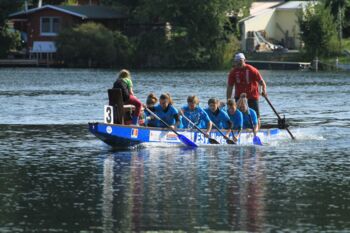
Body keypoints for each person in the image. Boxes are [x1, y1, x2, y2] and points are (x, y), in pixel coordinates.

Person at [226, 52, 267, 127]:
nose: (238, 63)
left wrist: (264, 90)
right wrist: (228, 99)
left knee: (256, 115)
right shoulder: (233, 72)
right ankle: (239, 128)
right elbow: (230, 87)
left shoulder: (252, 70)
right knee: (238, 113)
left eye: (240, 61)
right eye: (237, 61)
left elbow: (261, 82)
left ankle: (257, 130)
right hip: (239, 96)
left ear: (244, 60)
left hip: (252, 96)